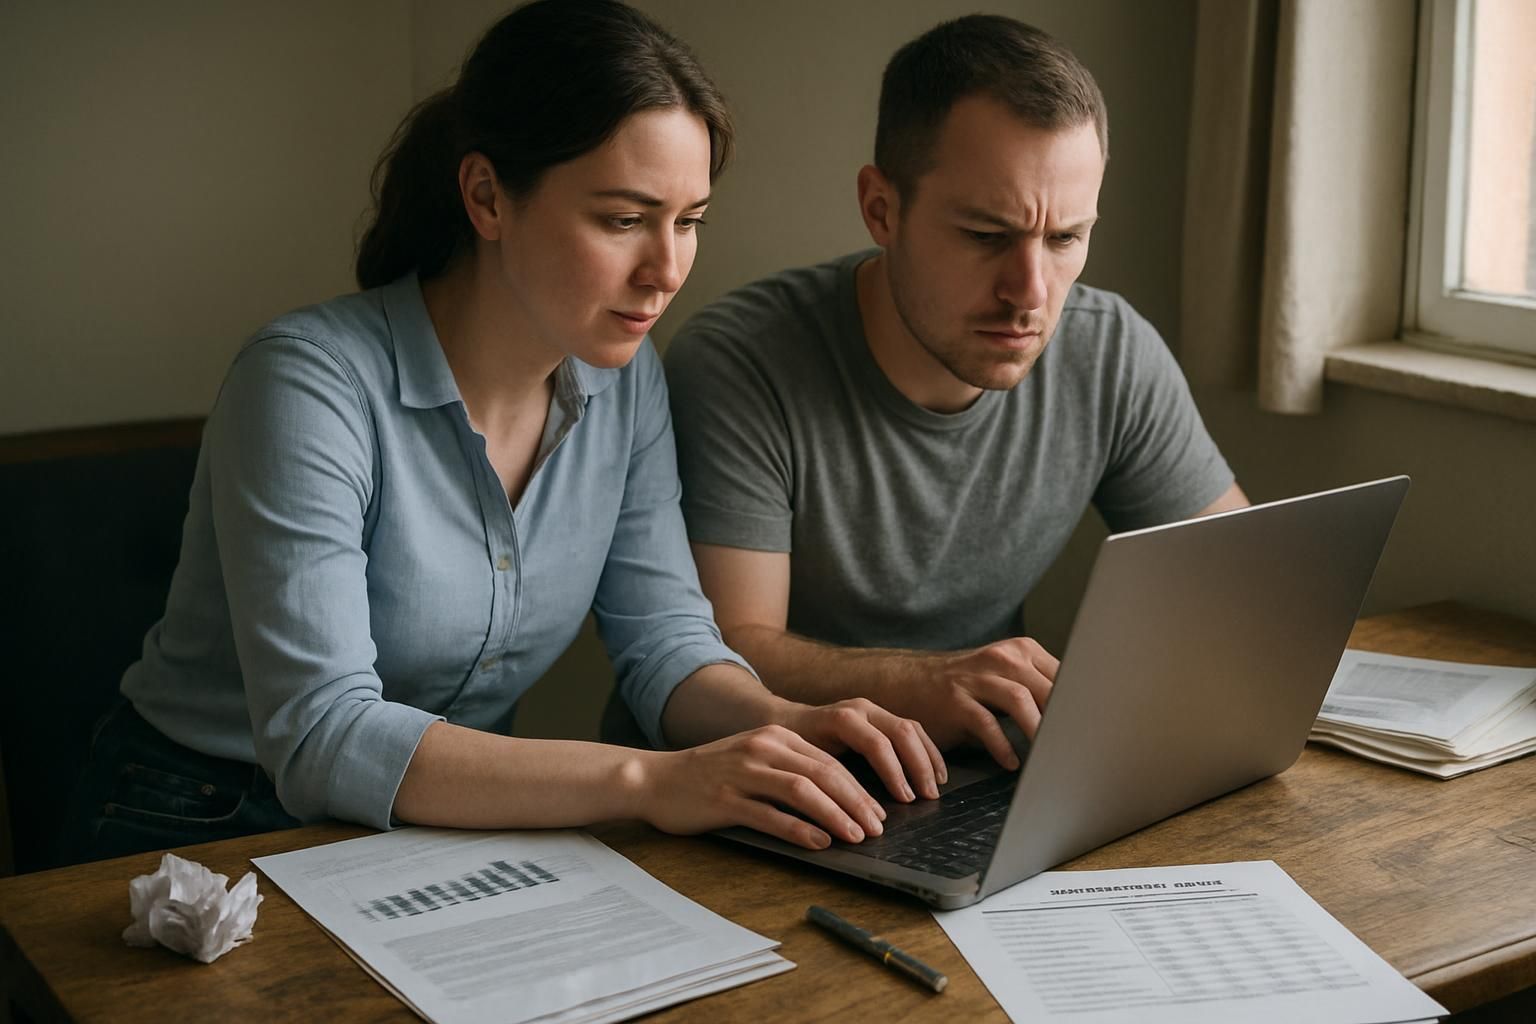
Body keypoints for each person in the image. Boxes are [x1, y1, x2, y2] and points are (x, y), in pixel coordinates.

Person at [60, 0, 945, 867]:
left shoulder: (627, 380)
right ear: (487, 196)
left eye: (690, 222)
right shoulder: (307, 382)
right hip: (200, 820)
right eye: (625, 219)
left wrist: (791, 727)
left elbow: (665, 640)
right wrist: (651, 781)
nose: (666, 269)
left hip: (434, 833)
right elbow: (323, 734)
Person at [634, 15, 1248, 771]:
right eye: (988, 236)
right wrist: (925, 681)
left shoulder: (1108, 349)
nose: (1030, 293)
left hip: (977, 777)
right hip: (752, 788)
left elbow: (1240, 587)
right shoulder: (743, 363)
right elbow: (727, 649)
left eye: (1064, 240)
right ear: (881, 209)